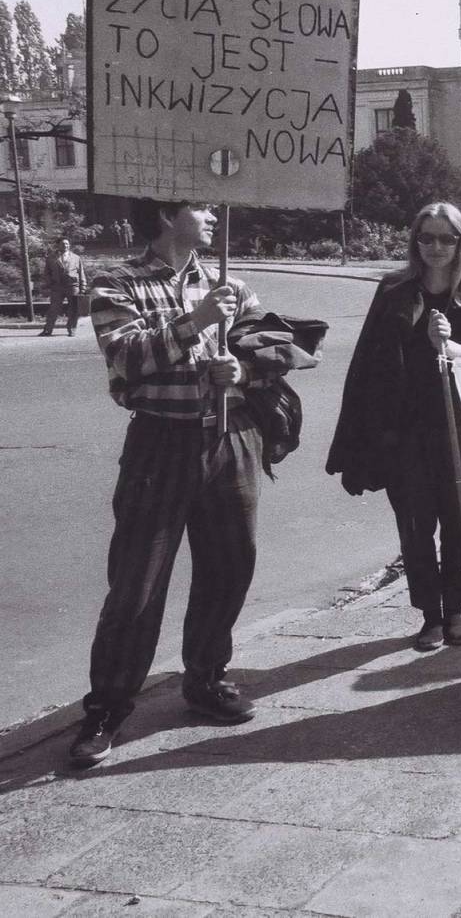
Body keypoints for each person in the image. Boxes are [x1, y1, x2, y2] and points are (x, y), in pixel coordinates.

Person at [69, 200, 283, 768]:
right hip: (159, 444)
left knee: (229, 567)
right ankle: (108, 709)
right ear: (166, 216)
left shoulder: (231, 283)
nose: (213, 215)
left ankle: (206, 678)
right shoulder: (118, 282)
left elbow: (270, 353)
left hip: (231, 436)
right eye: (200, 207)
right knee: (137, 582)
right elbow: (126, 358)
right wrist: (196, 322)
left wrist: (244, 370)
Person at [327, 203, 461, 652]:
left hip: (456, 425)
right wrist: (362, 435)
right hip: (403, 429)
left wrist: (451, 346)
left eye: (447, 238)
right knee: (416, 526)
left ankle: (457, 610)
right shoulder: (394, 288)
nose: (436, 247)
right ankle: (430, 616)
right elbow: (367, 361)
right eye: (427, 238)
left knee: (458, 525)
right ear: (415, 242)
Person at [39, 235, 88, 336]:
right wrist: (49, 283)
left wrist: (83, 287)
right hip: (57, 287)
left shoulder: (76, 258)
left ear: (69, 245)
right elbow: (46, 273)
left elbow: (81, 273)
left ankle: (72, 329)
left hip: (73, 286)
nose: (65, 246)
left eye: (67, 244)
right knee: (54, 309)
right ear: (58, 245)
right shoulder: (51, 258)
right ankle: (48, 330)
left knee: (74, 309)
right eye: (63, 244)